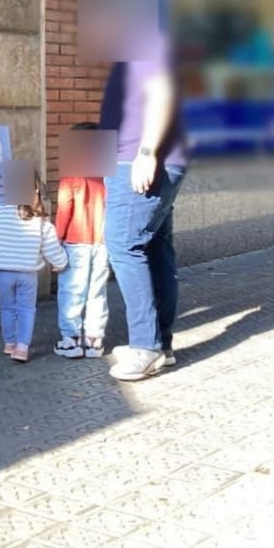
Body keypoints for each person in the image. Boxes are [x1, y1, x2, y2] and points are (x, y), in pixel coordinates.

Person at [100, 24, 188, 382]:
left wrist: (147, 152)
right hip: (138, 158)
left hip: (139, 160)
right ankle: (160, 345)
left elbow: (162, 91)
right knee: (155, 249)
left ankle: (146, 346)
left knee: (124, 246)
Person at [0, 177, 67, 363]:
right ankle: (22, 348)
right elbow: (51, 247)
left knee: (7, 307)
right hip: (28, 273)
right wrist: (60, 263)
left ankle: (9, 343)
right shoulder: (40, 220)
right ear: (36, 191)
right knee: (26, 309)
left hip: (2, 272)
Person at [54, 123, 109, 360]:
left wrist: (57, 237)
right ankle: (94, 341)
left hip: (75, 241)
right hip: (103, 241)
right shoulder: (109, 173)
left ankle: (71, 340)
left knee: (71, 290)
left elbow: (65, 208)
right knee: (97, 291)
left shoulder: (71, 175)